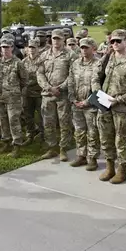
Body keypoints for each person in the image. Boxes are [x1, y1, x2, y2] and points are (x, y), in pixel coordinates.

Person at [92, 29, 126, 184]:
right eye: (112, 41)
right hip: (104, 103)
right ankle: (110, 167)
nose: (115, 44)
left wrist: (119, 99)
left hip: (122, 107)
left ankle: (122, 170)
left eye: (118, 41)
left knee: (122, 140)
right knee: (105, 137)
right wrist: (97, 91)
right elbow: (96, 74)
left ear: (125, 42)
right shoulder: (108, 57)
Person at [0, 38, 27, 157]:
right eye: (3, 47)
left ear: (12, 48)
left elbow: (24, 80)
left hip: (13, 98)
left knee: (13, 120)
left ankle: (17, 145)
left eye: (7, 47)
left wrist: (15, 91)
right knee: (2, 121)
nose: (5, 49)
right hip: (0, 97)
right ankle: (6, 142)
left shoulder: (18, 63)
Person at [37, 29, 75, 161]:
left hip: (63, 95)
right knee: (48, 122)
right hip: (47, 95)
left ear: (63, 39)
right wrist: (48, 87)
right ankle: (52, 148)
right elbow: (40, 73)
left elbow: (73, 74)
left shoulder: (70, 55)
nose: (56, 41)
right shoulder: (44, 55)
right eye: (54, 38)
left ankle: (63, 149)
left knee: (64, 123)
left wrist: (60, 87)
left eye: (59, 38)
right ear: (51, 39)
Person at [67, 37, 100, 170]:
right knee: (79, 131)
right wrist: (73, 99)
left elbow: (100, 87)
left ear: (93, 48)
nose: (84, 50)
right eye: (82, 47)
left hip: (91, 105)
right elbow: (70, 81)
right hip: (76, 104)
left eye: (87, 47)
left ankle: (92, 158)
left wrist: (87, 101)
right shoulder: (75, 63)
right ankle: (81, 155)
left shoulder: (98, 64)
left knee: (92, 132)